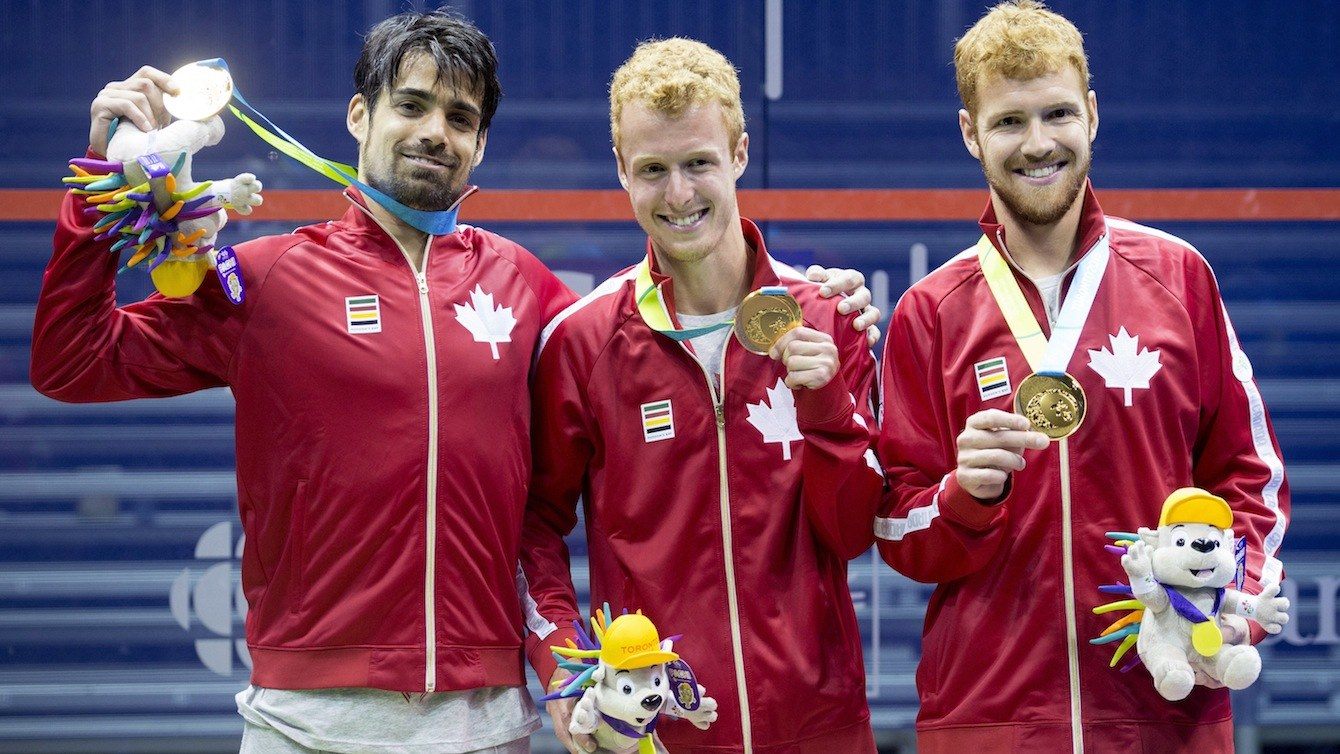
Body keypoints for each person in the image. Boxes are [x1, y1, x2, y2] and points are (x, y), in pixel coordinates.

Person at [30, 11, 876, 753]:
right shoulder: (268, 278)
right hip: (305, 718)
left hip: (484, 720)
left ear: (480, 144)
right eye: (412, 105)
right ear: (359, 114)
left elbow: (661, 311)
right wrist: (99, 180)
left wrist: (822, 292)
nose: (436, 129)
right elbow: (72, 362)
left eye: (460, 117)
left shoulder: (529, 291)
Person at [872, 2, 1290, 752]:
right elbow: (900, 532)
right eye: (1008, 121)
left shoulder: (1177, 277)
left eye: (1058, 113)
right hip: (992, 722)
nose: (1039, 143)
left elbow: (1249, 475)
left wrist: (1234, 600)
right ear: (971, 133)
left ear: (1092, 115)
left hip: (1166, 714)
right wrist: (963, 497)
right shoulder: (929, 313)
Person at [518, 39, 884, 754]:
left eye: (698, 163)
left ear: (741, 154)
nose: (679, 194)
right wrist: (567, 665)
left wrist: (828, 412)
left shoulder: (831, 320)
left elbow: (854, 535)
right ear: (622, 171)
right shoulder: (583, 342)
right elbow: (533, 526)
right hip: (654, 733)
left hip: (821, 731)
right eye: (653, 170)